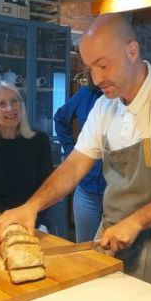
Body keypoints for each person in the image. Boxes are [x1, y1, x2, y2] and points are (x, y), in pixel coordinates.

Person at [0, 14, 151, 301]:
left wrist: (136, 221)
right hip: (112, 242)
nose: (96, 79)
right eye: (90, 69)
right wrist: (31, 206)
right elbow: (74, 165)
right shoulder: (104, 107)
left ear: (132, 51)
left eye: (103, 65)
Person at [0, 80, 68, 238]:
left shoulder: (39, 141)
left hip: (31, 220)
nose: (10, 108)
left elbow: (46, 189)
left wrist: (33, 220)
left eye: (14, 101)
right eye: (2, 104)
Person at [54, 78, 106, 242]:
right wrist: (71, 150)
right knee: (85, 249)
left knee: (115, 254)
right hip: (86, 189)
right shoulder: (85, 94)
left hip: (115, 194)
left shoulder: (124, 100)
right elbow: (60, 118)